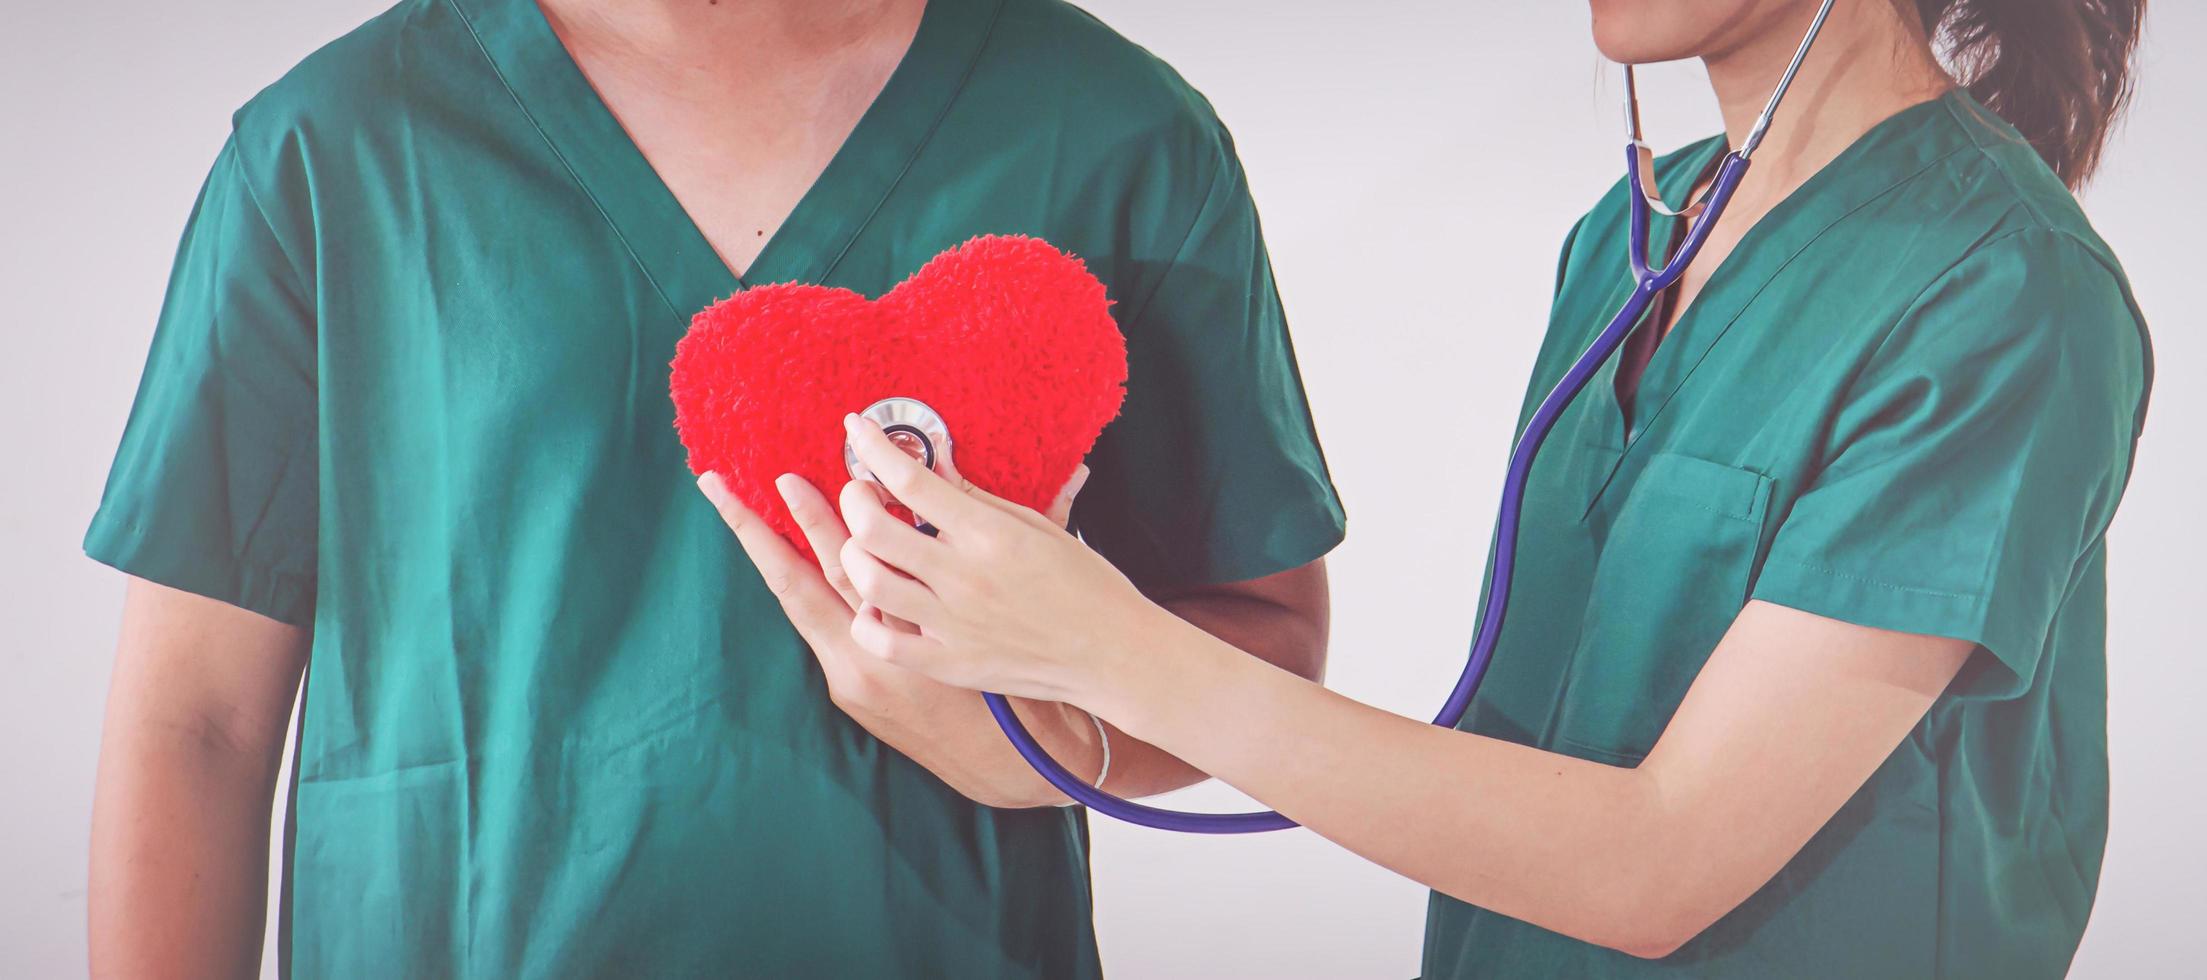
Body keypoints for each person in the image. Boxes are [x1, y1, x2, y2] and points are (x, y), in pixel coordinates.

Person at [741, 0, 2155, 975]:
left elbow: (1650, 870)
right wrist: (1050, 720)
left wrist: (1108, 645)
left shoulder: (2000, 295)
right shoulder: (1627, 237)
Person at [84, 0, 1343, 975]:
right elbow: (198, 720)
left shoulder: (1115, 135)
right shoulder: (336, 149)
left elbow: (1264, 628)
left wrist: (1050, 748)